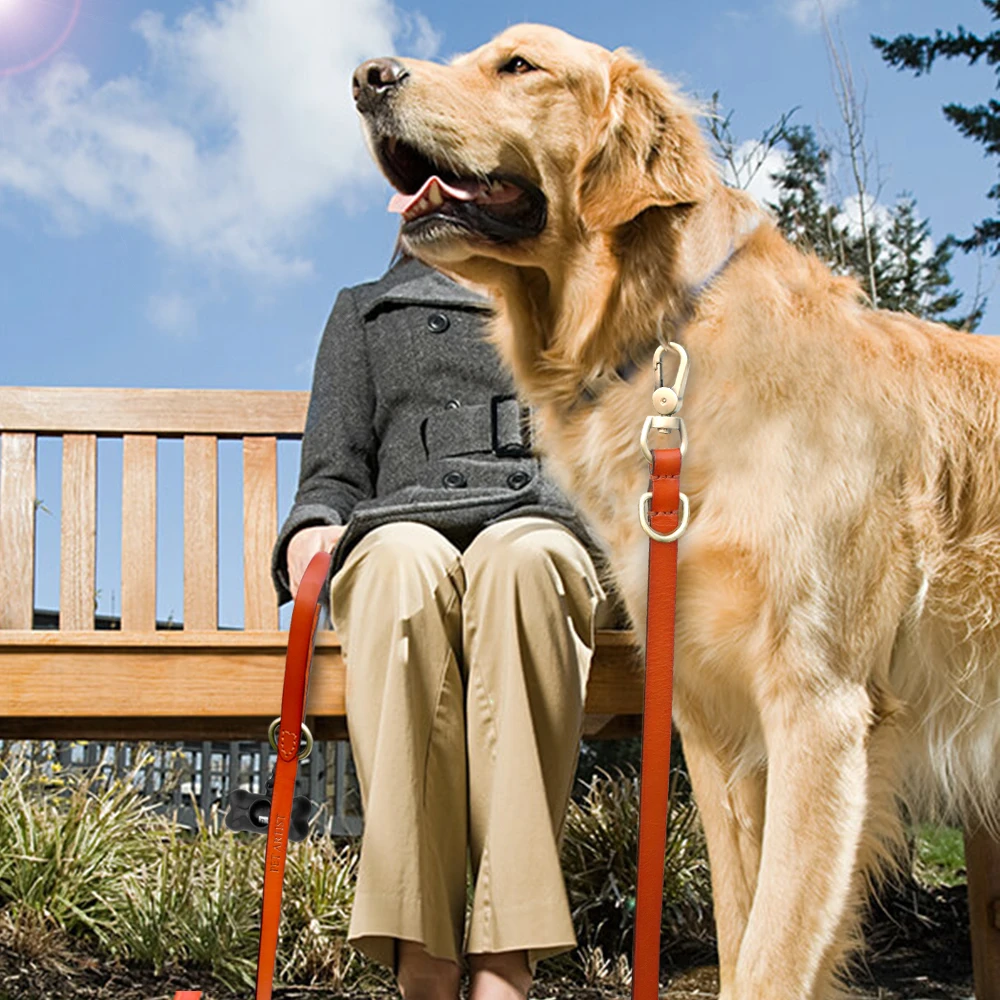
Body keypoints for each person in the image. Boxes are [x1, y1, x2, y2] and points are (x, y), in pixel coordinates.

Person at [271, 254, 617, 1000]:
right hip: (404, 525)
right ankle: (422, 958)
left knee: (522, 563)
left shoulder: (575, 304)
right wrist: (313, 526)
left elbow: (616, 449)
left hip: (541, 524)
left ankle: (505, 962)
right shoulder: (367, 310)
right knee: (400, 564)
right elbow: (332, 473)